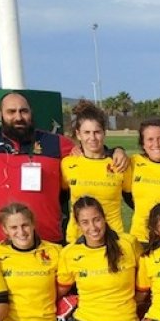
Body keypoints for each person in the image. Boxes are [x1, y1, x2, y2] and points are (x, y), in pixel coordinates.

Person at [0, 91, 126, 243]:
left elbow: (90, 149)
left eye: (23, 111)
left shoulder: (55, 143)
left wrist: (116, 151)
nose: (18, 117)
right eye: (11, 112)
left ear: (31, 113)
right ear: (0, 114)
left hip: (48, 238)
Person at [62, 100, 127, 243]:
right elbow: (60, 199)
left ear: (104, 133)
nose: (92, 138)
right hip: (77, 239)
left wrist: (119, 149)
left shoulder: (119, 163)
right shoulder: (68, 164)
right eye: (87, 132)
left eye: (97, 132)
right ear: (78, 134)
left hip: (113, 239)